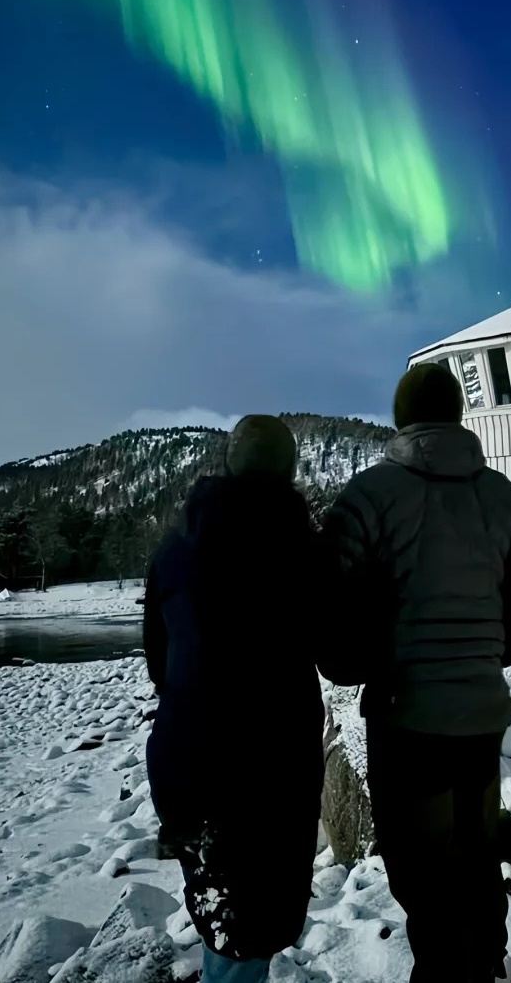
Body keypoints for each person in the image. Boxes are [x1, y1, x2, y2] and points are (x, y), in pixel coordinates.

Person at [320, 363, 511, 983]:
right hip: (479, 716)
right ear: (457, 414)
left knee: (420, 866)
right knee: (477, 854)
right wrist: (481, 656)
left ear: (401, 417)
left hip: (407, 715)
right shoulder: (500, 494)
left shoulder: (369, 495)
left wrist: (357, 666)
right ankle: (483, 968)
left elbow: (331, 602)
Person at [144, 415, 323, 983]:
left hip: (186, 761)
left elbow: (157, 662)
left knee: (222, 914)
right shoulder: (305, 548)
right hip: (273, 766)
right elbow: (339, 650)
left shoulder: (175, 548)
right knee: (257, 921)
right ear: (290, 470)